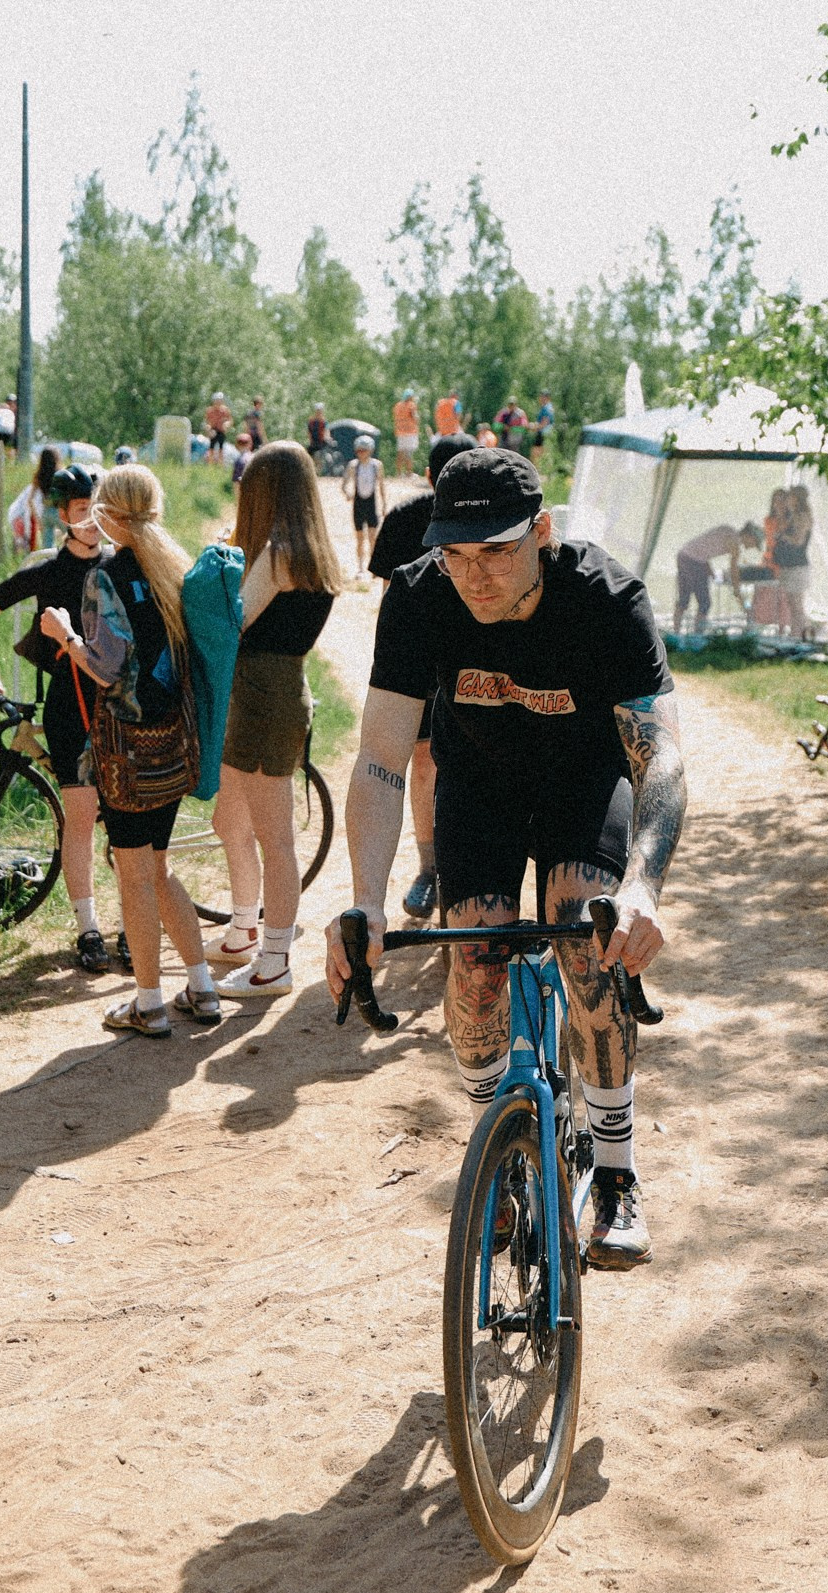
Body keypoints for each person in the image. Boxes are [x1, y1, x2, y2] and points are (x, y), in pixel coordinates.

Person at [328, 448, 690, 1268]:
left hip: (585, 785)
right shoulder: (420, 598)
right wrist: (366, 902)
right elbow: (382, 759)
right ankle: (493, 1139)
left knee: (586, 941)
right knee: (476, 961)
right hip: (480, 789)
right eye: (456, 553)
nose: (473, 575)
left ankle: (616, 1171)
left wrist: (642, 888)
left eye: (495, 550)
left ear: (544, 532)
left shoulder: (607, 600)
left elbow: (660, 759)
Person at [38, 465, 223, 1036]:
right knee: (160, 869)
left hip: (126, 751)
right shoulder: (175, 566)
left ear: (112, 514)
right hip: (174, 746)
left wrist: (66, 637)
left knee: (135, 874)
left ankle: (147, 1003)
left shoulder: (106, 576)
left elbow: (108, 666)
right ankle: (203, 986)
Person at [207, 443, 346, 998]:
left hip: (264, 695)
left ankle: (274, 958)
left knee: (274, 839)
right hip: (272, 691)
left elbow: (230, 621)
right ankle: (245, 931)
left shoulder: (278, 554)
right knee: (230, 823)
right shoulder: (307, 551)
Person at [0, 461, 111, 973]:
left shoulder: (120, 563)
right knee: (79, 821)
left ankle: (131, 923)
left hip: (119, 705)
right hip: (69, 706)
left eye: (99, 509)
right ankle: (88, 928)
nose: (93, 521)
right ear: (62, 516)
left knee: (123, 821)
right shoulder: (48, 571)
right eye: (82, 511)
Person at [367, 432, 478, 919]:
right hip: (431, 667)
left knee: (438, 764)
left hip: (462, 664)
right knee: (427, 760)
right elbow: (395, 601)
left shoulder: (476, 521)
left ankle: (445, 868)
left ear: (430, 474)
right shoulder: (407, 519)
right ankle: (431, 870)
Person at [673, 523, 762, 633]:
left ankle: (676, 633)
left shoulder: (729, 530)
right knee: (705, 603)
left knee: (683, 600)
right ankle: (698, 635)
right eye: (755, 542)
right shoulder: (734, 541)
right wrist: (736, 589)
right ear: (749, 536)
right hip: (694, 561)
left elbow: (704, 546)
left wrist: (710, 571)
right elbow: (734, 569)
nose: (753, 546)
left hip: (683, 555)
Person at [771, 484, 815, 635]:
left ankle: (801, 634)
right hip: (788, 565)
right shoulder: (792, 515)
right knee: (791, 603)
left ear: (796, 498)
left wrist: (783, 537)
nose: (787, 500)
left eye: (789, 497)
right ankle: (797, 632)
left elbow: (799, 540)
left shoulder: (802, 516)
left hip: (797, 567)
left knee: (797, 605)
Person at [7, 446, 60, 556]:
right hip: (58, 513)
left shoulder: (39, 476)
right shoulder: (59, 476)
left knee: (47, 547)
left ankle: (48, 566)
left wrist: (37, 518)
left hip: (45, 513)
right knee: (71, 536)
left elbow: (30, 500)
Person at [344, 435, 385, 570]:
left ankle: (373, 567)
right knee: (360, 539)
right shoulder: (353, 466)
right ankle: (360, 567)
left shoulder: (376, 465)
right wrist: (348, 493)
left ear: (370, 451)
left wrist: (384, 504)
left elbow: (381, 486)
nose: (361, 453)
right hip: (358, 505)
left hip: (371, 505)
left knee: (372, 538)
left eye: (364, 450)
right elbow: (344, 484)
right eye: (359, 450)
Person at [392, 388, 421, 476]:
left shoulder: (397, 406)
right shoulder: (411, 405)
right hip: (410, 431)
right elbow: (415, 417)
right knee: (409, 453)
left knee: (400, 452)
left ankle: (399, 472)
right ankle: (409, 472)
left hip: (400, 432)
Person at [530, 391, 556, 465]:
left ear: (547, 398)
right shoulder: (549, 407)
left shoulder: (546, 408)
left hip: (543, 432)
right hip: (547, 432)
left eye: (542, 397)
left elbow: (545, 422)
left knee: (536, 453)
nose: (540, 398)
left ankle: (537, 470)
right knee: (542, 452)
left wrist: (534, 427)